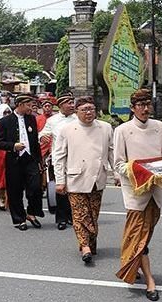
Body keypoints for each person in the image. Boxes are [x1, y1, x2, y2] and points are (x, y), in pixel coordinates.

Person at [114, 88, 162, 302]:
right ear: (132, 108)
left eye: (148, 104)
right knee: (139, 237)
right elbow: (118, 164)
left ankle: (132, 264)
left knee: (145, 235)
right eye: (141, 105)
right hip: (136, 192)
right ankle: (149, 281)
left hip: (155, 190)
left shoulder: (160, 127)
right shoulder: (123, 130)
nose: (146, 109)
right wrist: (140, 171)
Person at [53, 96, 117, 264]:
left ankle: (90, 243)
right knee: (80, 214)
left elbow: (112, 152)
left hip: (98, 177)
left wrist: (117, 173)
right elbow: (59, 157)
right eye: (84, 110)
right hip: (75, 178)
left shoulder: (105, 127)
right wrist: (60, 180)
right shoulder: (67, 130)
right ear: (76, 112)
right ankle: (85, 246)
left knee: (93, 214)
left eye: (91, 109)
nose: (89, 113)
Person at [0, 93, 45, 231]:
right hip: (14, 160)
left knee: (35, 187)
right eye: (28, 105)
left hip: (30, 159)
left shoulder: (31, 120)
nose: (31, 108)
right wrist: (12, 146)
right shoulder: (5, 121)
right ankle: (19, 219)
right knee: (15, 191)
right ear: (20, 105)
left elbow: (34, 142)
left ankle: (31, 212)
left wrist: (40, 160)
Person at [39, 92, 77, 230]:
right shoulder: (53, 121)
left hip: (75, 158)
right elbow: (42, 134)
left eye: (73, 102)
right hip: (59, 159)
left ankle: (72, 217)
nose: (72, 105)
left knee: (73, 190)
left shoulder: (78, 119)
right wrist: (43, 137)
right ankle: (61, 219)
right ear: (61, 105)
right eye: (69, 103)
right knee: (60, 189)